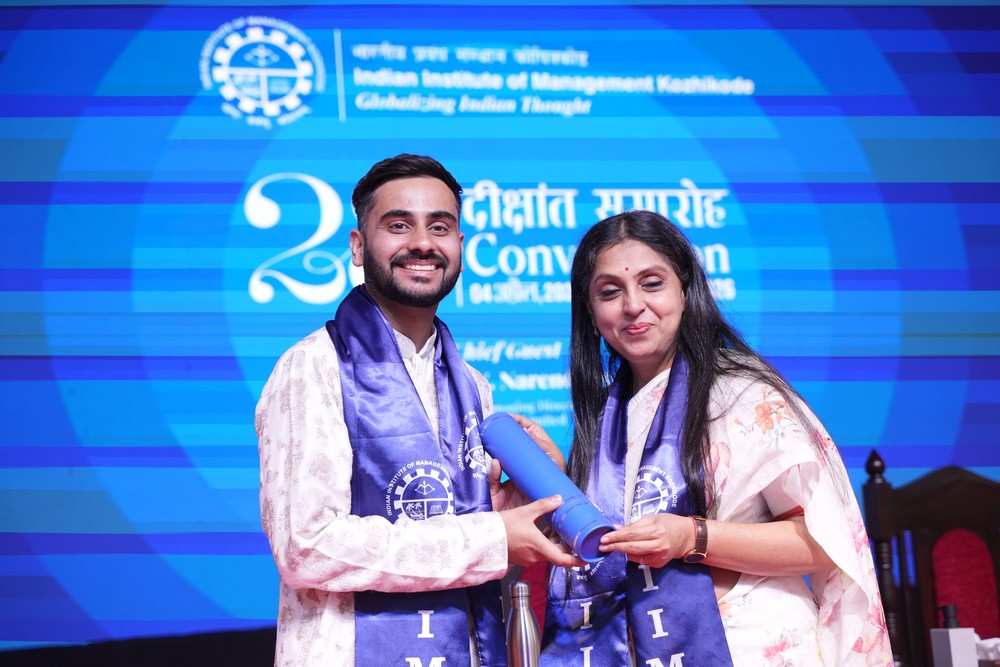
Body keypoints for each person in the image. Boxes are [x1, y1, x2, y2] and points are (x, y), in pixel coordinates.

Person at [255, 154, 579, 667]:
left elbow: (459, 532)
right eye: (399, 225)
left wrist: (522, 503)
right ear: (358, 246)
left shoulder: (471, 386)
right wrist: (492, 538)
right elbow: (307, 547)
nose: (423, 243)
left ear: (461, 248)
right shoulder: (313, 368)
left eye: (440, 227)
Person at [536, 210, 892, 665]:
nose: (633, 305)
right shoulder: (606, 415)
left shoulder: (744, 394)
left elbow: (820, 543)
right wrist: (559, 482)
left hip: (751, 647)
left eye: (652, 283)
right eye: (610, 292)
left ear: (685, 291)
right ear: (590, 311)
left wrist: (693, 536)